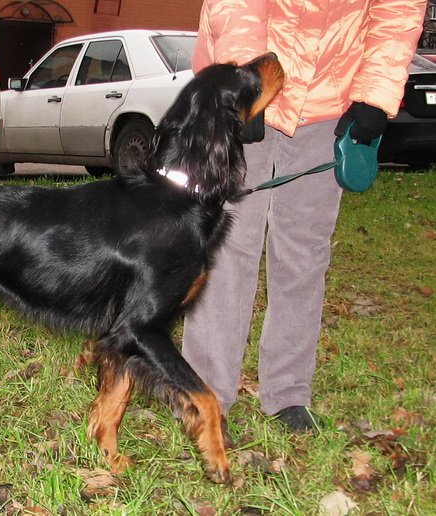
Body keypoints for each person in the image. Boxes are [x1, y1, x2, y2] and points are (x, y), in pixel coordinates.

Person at [182, 0, 427, 432]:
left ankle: (289, 392)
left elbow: (397, 11)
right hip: (249, 87)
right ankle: (204, 391)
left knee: (305, 254)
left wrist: (374, 96)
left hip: (331, 99)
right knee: (225, 245)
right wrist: (245, 78)